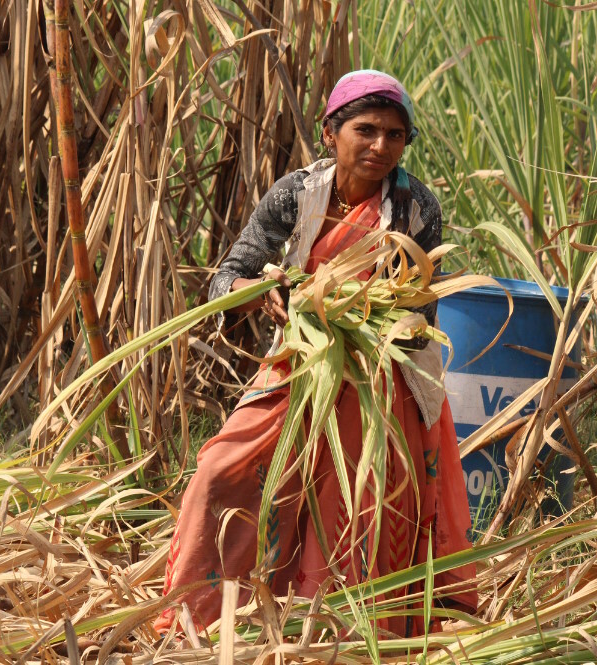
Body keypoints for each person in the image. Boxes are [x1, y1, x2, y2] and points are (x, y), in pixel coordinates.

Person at [155, 70, 476, 638]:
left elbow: (423, 311)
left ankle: (336, 635)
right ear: (331, 133)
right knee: (218, 473)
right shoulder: (295, 195)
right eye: (366, 130)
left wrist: (371, 316)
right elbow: (226, 277)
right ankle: (200, 620)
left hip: (383, 377)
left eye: (396, 135)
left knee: (351, 503)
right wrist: (267, 293)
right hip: (299, 363)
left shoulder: (414, 207)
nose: (381, 146)